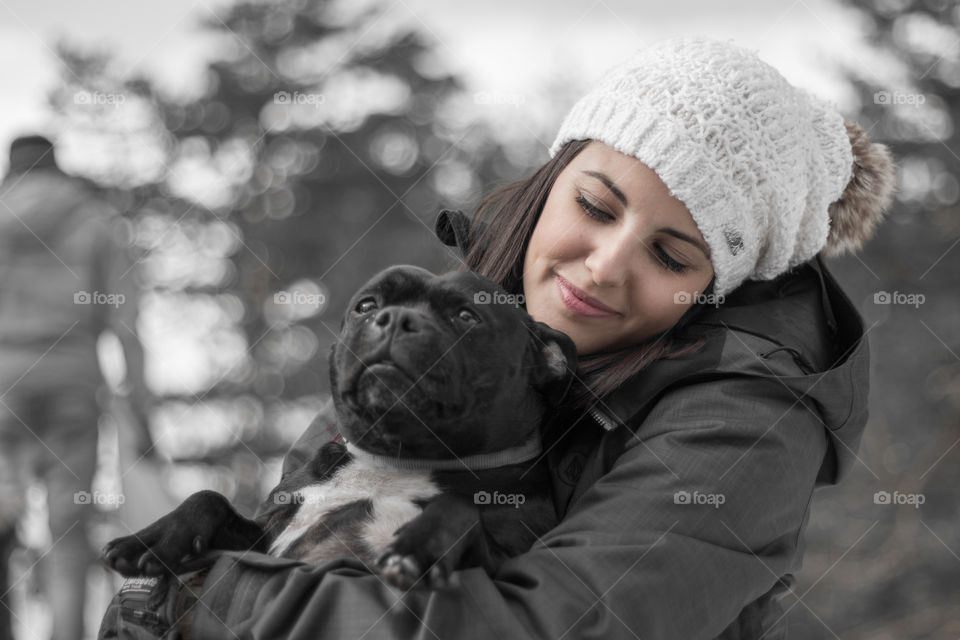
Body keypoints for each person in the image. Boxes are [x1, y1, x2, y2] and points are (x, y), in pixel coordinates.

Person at [102, 37, 895, 639]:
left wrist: (183, 596)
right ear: (551, 185)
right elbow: (301, 537)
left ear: (711, 291)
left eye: (668, 255)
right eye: (596, 205)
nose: (605, 265)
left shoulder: (750, 423)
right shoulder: (447, 334)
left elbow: (538, 626)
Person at [0, 135, 152, 640]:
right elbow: (127, 326)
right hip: (72, 386)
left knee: (2, 519)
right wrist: (142, 409)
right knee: (68, 540)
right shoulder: (94, 220)